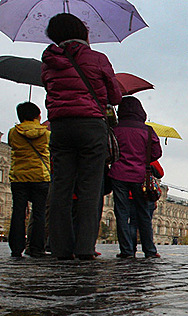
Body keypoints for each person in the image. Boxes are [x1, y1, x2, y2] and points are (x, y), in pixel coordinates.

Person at [41, 13, 122, 260]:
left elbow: (50, 89)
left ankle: (60, 249)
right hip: (90, 126)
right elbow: (115, 96)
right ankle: (85, 248)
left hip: (60, 127)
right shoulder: (97, 58)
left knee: (60, 188)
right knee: (90, 188)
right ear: (83, 32)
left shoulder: (48, 61)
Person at [108, 96, 162, 259]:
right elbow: (156, 153)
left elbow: (108, 150)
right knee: (144, 214)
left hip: (118, 175)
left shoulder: (115, 129)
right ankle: (150, 251)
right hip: (140, 176)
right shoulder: (148, 130)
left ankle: (126, 250)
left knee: (122, 214)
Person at [7, 102, 51, 258]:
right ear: (38, 116)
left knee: (18, 212)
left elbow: (13, 145)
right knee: (39, 213)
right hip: (40, 177)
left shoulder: (13, 133)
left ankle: (16, 248)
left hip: (19, 178)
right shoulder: (46, 134)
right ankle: (36, 247)